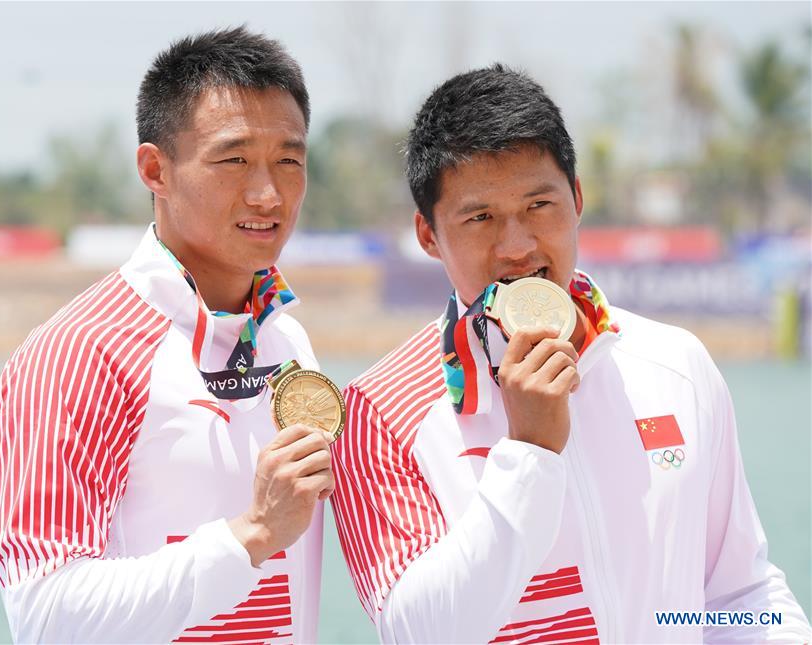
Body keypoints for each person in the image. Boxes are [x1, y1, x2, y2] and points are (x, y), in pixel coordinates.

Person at [330, 64, 811, 644]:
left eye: (539, 205)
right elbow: (419, 633)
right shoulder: (377, 412)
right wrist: (529, 455)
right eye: (480, 217)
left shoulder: (675, 364)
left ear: (577, 199)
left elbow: (738, 595)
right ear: (428, 234)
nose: (517, 246)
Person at [0, 27, 333, 643]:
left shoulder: (288, 342)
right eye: (234, 159)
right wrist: (251, 535)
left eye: (288, 160)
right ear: (155, 169)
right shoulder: (77, 353)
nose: (268, 193)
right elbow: (43, 616)